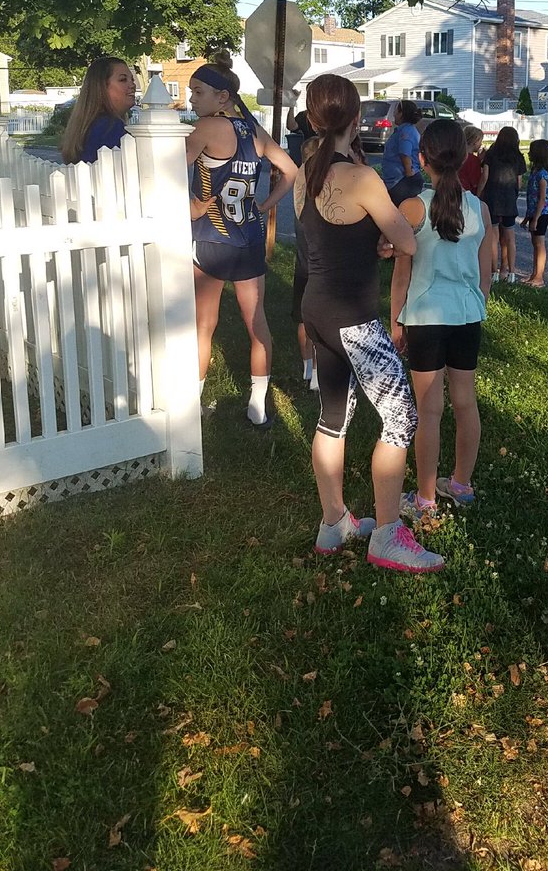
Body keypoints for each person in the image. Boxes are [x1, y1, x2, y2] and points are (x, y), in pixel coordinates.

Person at [294, 73, 444, 573]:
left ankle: (333, 521)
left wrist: (372, 241)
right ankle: (386, 535)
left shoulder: (306, 172)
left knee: (332, 416)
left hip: (315, 308)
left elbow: (337, 236)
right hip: (352, 318)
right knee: (401, 417)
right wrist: (384, 241)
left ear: (314, 119)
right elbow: (407, 241)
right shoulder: (361, 178)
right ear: (356, 117)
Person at [186, 54, 297, 428]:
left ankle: (193, 401)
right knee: (257, 323)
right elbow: (291, 171)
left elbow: (167, 168)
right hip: (247, 237)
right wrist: (265, 205)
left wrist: (197, 205)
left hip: (211, 239)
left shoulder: (206, 127)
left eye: (197, 92)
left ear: (222, 97)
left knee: (204, 325)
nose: (191, 100)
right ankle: (258, 405)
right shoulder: (254, 130)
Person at [389, 120, 492, 520]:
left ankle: (426, 497)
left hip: (425, 318)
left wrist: (397, 322)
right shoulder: (479, 209)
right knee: (466, 403)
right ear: (465, 158)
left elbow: (402, 275)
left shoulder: (411, 209)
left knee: (429, 411)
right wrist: (473, 304)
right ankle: (462, 483)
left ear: (421, 159)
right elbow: (485, 276)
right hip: (467, 317)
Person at [61, 56, 137, 164]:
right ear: (102, 87)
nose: (132, 85)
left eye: (132, 79)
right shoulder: (110, 127)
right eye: (123, 80)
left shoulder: (90, 125)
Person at [478, 125, 526, 282]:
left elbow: (484, 176)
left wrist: (479, 194)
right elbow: (519, 183)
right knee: (510, 237)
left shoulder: (491, 154)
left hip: (492, 197)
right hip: (509, 199)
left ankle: (494, 272)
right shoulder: (518, 157)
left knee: (493, 236)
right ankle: (512, 273)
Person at [292, 136, 320, 391]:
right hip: (322, 266)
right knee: (320, 321)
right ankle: (319, 376)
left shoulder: (298, 181)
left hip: (302, 262)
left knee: (302, 318)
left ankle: (306, 366)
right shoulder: (322, 185)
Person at [520, 138, 548, 287]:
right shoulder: (535, 172)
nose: (528, 153)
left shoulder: (542, 175)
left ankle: (539, 277)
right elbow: (531, 198)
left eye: (531, 151)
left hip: (542, 214)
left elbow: (541, 199)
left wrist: (536, 219)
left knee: (539, 244)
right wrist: (528, 218)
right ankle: (534, 274)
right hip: (534, 213)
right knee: (535, 243)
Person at [380, 100, 424, 205]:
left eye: (396, 111)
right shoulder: (406, 130)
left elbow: (405, 153)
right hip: (398, 181)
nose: (394, 114)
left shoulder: (406, 132)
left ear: (401, 114)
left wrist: (408, 173)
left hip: (401, 182)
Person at [458, 126, 485, 195]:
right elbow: (476, 182)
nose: (481, 144)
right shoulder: (474, 160)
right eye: (480, 141)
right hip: (469, 193)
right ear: (475, 141)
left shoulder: (457, 156)